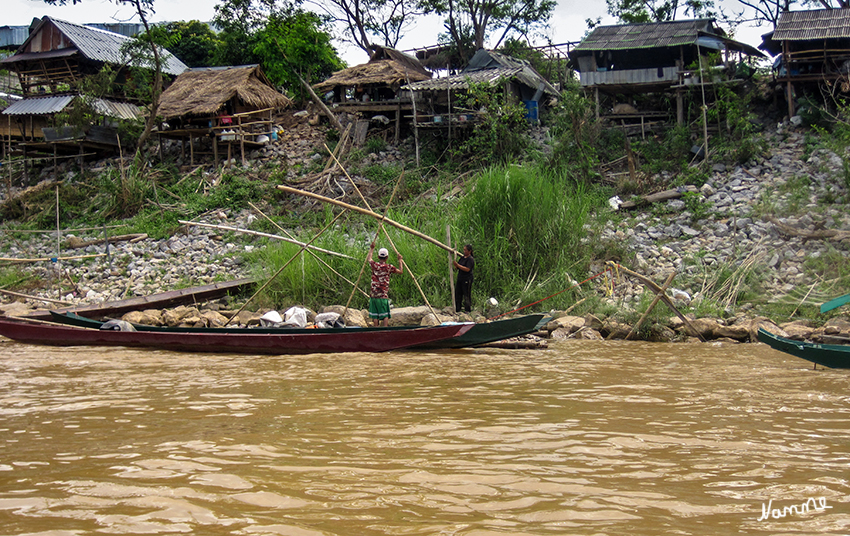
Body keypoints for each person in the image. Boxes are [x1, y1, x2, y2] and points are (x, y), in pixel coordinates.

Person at [367, 243, 403, 327]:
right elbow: (400, 271)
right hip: (382, 295)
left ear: (379, 257)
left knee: (375, 315)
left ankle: (376, 330)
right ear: (387, 257)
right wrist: (400, 260)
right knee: (385, 315)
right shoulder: (389, 267)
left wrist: (372, 248)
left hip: (374, 294)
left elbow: (369, 258)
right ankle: (385, 329)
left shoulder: (374, 265)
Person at [453, 244, 474, 313]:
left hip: (467, 279)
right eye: (464, 249)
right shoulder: (462, 258)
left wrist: (458, 265)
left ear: (469, 251)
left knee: (466, 294)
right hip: (460, 278)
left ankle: (467, 309)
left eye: (465, 250)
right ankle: (458, 308)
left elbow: (467, 269)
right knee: (458, 293)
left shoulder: (470, 259)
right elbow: (458, 267)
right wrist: (456, 265)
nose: (464, 251)